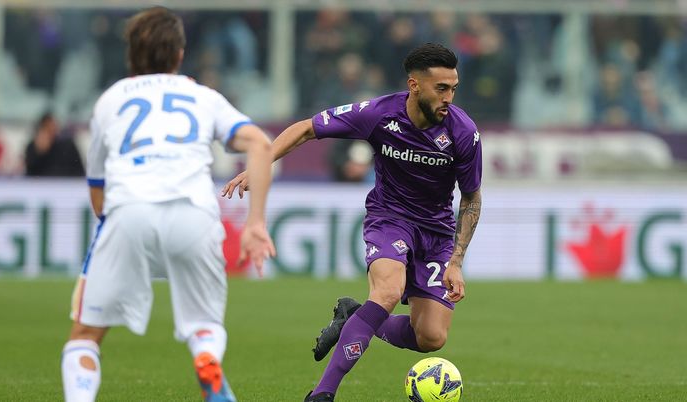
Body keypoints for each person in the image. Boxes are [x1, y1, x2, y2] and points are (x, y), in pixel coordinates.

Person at [222, 42, 482, 401]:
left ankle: (356, 316)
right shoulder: (377, 114)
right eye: (441, 88)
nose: (449, 97)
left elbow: (471, 198)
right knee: (388, 291)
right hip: (390, 219)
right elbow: (305, 129)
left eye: (453, 88)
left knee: (431, 338)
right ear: (414, 85)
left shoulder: (463, 132)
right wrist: (260, 166)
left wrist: (456, 261)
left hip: (436, 233)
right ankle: (323, 394)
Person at [60, 7, 275, 402]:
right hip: (194, 214)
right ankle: (207, 356)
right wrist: (255, 223)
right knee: (204, 325)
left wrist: (111, 236)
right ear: (179, 53)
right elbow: (260, 144)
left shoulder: (109, 101)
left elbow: (97, 187)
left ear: (131, 54)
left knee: (85, 336)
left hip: (128, 211)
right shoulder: (202, 96)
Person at [25, 111, 85, 177]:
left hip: (65, 184)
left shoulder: (68, 146)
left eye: (53, 126)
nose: (51, 130)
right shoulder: (33, 147)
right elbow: (29, 172)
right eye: (47, 127)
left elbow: (79, 171)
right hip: (41, 185)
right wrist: (39, 152)